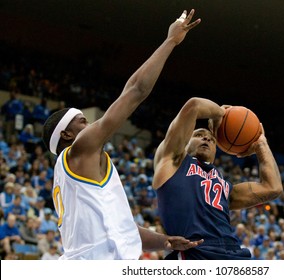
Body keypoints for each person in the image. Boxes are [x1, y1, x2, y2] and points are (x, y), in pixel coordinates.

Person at [41, 9, 202, 260]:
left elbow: (124, 229)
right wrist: (170, 41)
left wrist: (166, 241)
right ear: (67, 134)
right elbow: (136, 90)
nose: (92, 126)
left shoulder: (79, 175)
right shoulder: (79, 150)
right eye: (82, 122)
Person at [153, 97, 283, 259]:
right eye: (199, 135)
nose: (206, 138)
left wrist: (261, 144)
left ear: (217, 150)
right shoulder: (171, 160)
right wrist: (220, 114)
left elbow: (273, 188)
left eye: (212, 139)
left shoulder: (226, 188)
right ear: (185, 142)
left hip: (234, 253)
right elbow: (194, 106)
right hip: (196, 252)